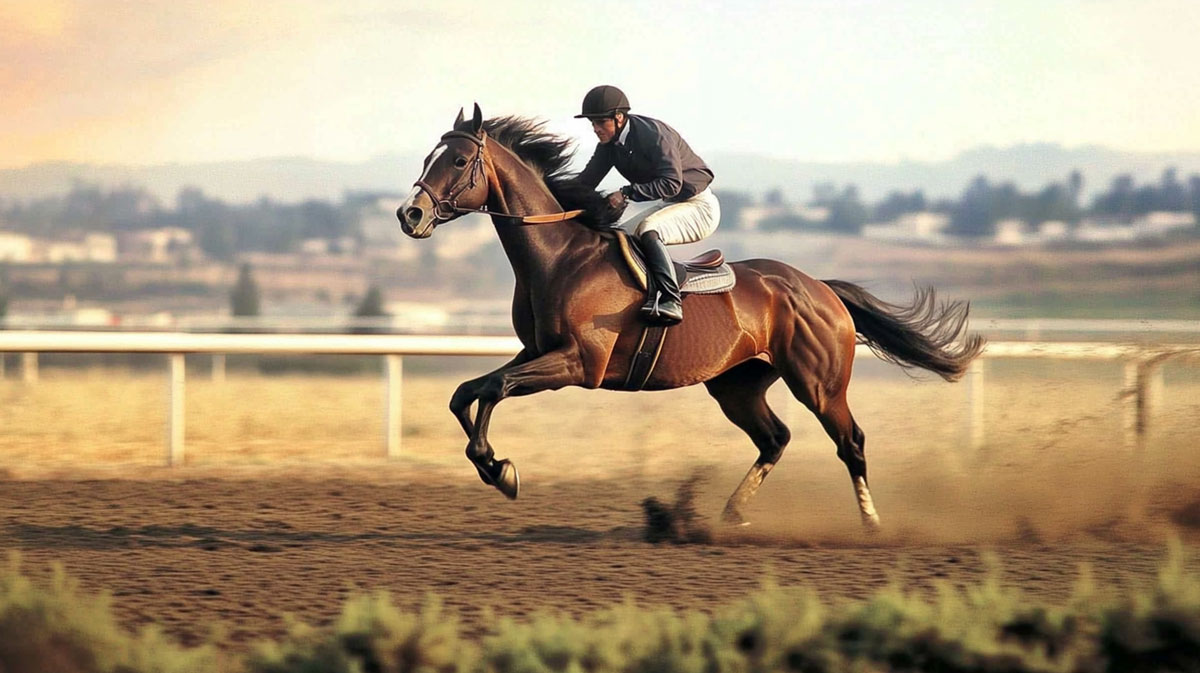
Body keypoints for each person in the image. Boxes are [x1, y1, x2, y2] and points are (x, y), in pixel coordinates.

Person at [575, 85, 720, 326]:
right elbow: (585, 183)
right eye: (592, 122)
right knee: (619, 237)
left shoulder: (653, 134)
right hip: (672, 205)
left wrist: (627, 193)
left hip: (699, 207)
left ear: (618, 118)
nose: (595, 128)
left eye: (600, 122)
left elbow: (672, 184)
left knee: (649, 230)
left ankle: (670, 299)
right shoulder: (609, 146)